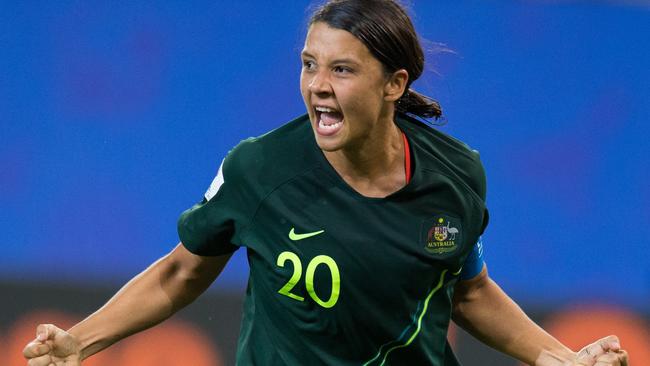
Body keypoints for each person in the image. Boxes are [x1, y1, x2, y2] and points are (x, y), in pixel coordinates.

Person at [23, 1, 629, 365]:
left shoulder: (456, 174)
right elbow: (181, 272)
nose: (317, 85)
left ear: (393, 84)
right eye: (309, 64)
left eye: (341, 69)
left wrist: (556, 355)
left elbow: (467, 289)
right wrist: (80, 343)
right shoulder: (259, 168)